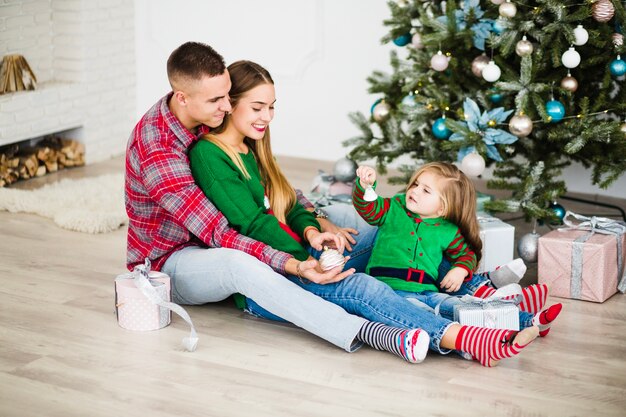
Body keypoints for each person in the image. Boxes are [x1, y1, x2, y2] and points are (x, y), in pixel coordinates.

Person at [187, 58, 540, 367]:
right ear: (231, 105)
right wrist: (309, 263)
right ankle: (462, 337)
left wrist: (314, 235)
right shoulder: (210, 154)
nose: (268, 117)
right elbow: (253, 224)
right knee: (365, 287)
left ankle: (494, 302)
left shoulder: (253, 147)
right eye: (258, 107)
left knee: (392, 235)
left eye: (272, 107)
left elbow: (291, 205)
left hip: (308, 256)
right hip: (276, 275)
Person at [125, 41, 430, 363]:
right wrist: (297, 263)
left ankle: (442, 276)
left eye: (228, 97)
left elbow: (271, 187)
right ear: (182, 97)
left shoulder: (205, 113)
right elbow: (220, 233)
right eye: (217, 100)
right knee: (237, 262)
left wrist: (314, 220)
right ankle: (362, 329)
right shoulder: (158, 150)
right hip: (175, 261)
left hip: (218, 236)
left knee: (346, 215)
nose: (227, 108)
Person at [353, 162, 562, 337]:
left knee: (462, 308)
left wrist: (460, 269)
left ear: (443, 207)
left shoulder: (448, 230)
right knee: (440, 314)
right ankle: (491, 333)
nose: (414, 190)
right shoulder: (394, 208)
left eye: (425, 190)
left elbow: (466, 254)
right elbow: (369, 208)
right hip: (390, 291)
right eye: (415, 184)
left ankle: (531, 321)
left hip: (427, 292)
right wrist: (365, 186)